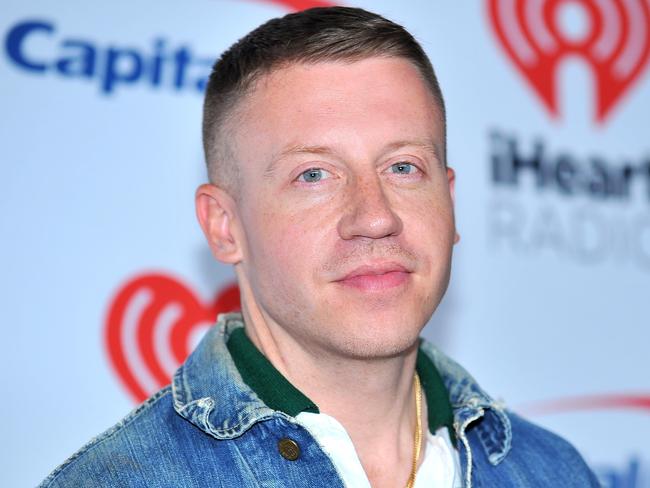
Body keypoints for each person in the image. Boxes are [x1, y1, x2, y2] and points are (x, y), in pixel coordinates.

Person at [40, 7, 600, 487]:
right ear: (224, 226)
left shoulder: (552, 472)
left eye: (403, 167)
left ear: (449, 201)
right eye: (314, 175)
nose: (375, 217)